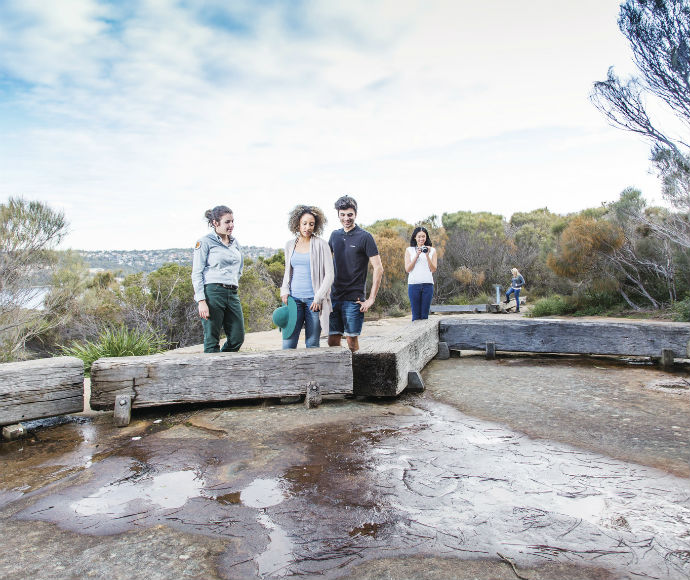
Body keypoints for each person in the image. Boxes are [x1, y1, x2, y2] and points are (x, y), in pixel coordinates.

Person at [328, 195, 384, 352]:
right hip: (334, 297)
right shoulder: (334, 236)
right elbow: (323, 264)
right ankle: (339, 375)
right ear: (338, 215)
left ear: (355, 214)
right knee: (333, 341)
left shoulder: (365, 237)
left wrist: (371, 299)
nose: (346, 218)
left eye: (350, 214)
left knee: (351, 341)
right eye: (343, 215)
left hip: (354, 299)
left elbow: (378, 268)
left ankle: (357, 375)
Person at [279, 205, 334, 349]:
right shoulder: (290, 245)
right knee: (288, 344)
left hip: (313, 302)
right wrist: (284, 290)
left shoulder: (322, 245)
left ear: (316, 226)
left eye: (311, 224)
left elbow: (330, 275)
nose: (308, 227)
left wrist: (318, 297)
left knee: (312, 344)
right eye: (304, 223)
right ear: (297, 224)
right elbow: (287, 271)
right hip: (293, 300)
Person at [191, 205, 245, 352]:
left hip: (232, 293)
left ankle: (222, 365)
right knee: (212, 339)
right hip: (213, 292)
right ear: (215, 223)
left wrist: (232, 282)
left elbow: (240, 268)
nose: (231, 225)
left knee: (237, 337)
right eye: (227, 222)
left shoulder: (235, 243)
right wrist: (201, 301)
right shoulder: (205, 242)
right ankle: (212, 372)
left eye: (233, 221)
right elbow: (197, 273)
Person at [404, 226, 437, 320]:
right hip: (414, 285)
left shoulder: (432, 250)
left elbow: (433, 269)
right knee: (415, 316)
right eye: (419, 236)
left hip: (428, 285)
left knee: (424, 316)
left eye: (423, 236)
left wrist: (427, 255)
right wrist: (417, 255)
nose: (421, 239)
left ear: (426, 237)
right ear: (415, 237)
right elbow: (408, 269)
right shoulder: (409, 250)